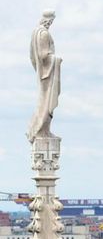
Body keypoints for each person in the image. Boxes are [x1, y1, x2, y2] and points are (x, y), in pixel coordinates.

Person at [28, 11, 61, 142]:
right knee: (47, 103)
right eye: (51, 21)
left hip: (42, 72)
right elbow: (43, 56)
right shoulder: (43, 34)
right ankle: (42, 130)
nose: (50, 23)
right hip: (47, 74)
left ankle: (42, 129)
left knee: (43, 102)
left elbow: (32, 56)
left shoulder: (35, 33)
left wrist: (37, 68)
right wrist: (57, 59)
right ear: (48, 20)